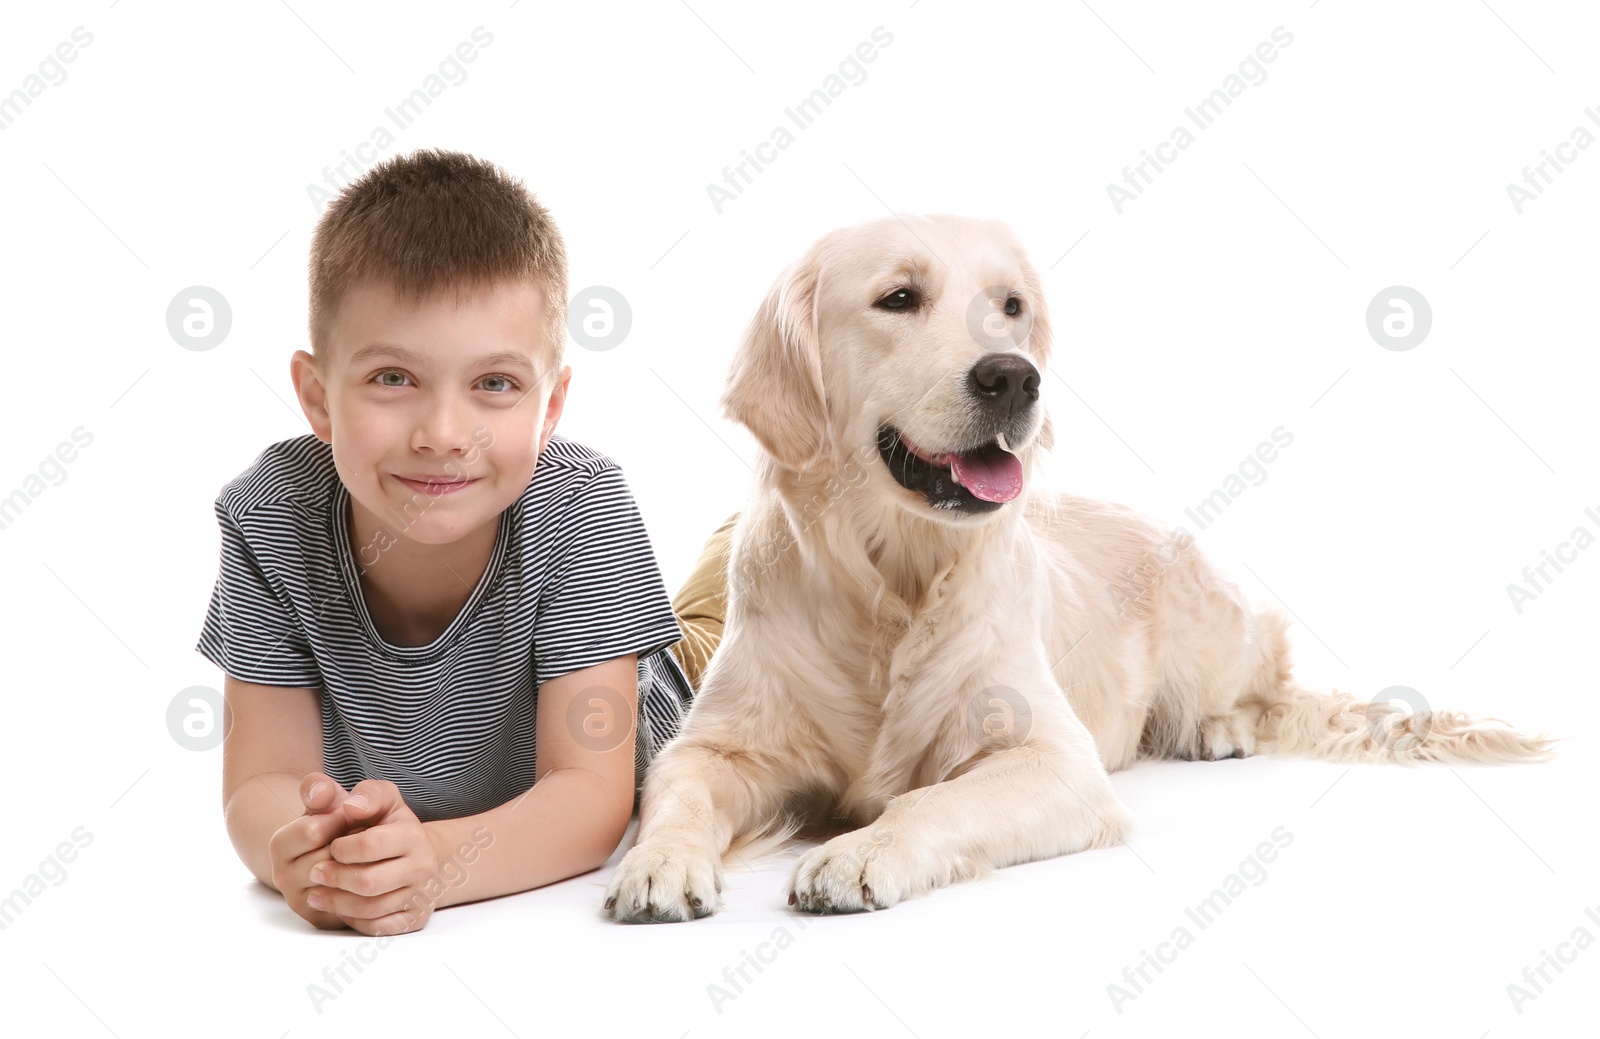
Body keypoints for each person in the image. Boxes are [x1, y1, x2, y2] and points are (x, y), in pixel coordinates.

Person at [195, 147, 734, 936]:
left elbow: (590, 798)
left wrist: (434, 866)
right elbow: (262, 781)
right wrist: (310, 850)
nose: (444, 435)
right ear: (316, 395)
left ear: (549, 408)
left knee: (744, 615)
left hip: (672, 685)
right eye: (392, 378)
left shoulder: (580, 506)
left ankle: (750, 530)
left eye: (494, 385)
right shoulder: (270, 517)